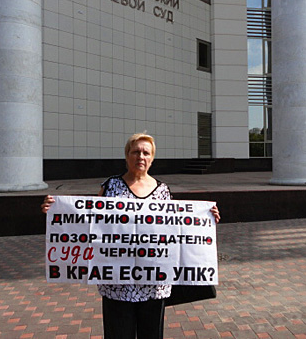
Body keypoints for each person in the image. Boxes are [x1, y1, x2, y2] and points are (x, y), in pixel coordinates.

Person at [41, 132, 221, 339]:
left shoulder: (162, 190)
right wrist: (56, 211)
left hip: (154, 283)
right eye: (136, 152)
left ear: (152, 158)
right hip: (116, 283)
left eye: (146, 153)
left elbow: (177, 230)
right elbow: (89, 221)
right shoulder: (110, 186)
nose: (141, 157)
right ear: (127, 156)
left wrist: (206, 218)